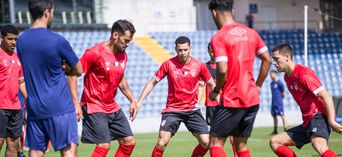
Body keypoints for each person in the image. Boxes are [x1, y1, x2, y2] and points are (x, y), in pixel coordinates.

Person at [16, 0, 83, 156]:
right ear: (47, 13)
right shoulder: (57, 40)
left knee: (36, 151)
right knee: (68, 151)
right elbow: (79, 69)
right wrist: (67, 69)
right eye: (52, 12)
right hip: (59, 106)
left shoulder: (21, 41)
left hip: (35, 107)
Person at [207, 0, 272, 156]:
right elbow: (268, 60)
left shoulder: (219, 37)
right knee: (240, 145)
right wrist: (258, 86)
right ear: (233, 11)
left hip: (233, 99)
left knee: (215, 142)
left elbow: (222, 70)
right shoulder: (251, 33)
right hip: (252, 99)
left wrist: (216, 89)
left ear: (214, 13)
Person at [136, 36, 216, 157]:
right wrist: (139, 101)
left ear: (190, 48)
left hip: (192, 111)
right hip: (173, 110)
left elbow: (212, 84)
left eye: (185, 50)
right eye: (180, 50)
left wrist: (222, 99)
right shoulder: (168, 64)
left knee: (207, 143)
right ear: (175, 49)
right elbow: (152, 82)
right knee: (161, 142)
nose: (183, 53)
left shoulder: (199, 66)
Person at [70, 19, 137, 157]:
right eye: (125, 40)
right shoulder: (95, 52)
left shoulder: (123, 55)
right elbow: (72, 75)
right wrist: (76, 103)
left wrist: (132, 100)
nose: (127, 44)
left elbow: (121, 80)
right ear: (115, 35)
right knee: (104, 145)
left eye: (129, 41)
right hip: (93, 105)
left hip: (111, 106)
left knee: (129, 142)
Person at [269, 43, 342, 157]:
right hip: (307, 122)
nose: (274, 63)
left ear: (287, 57)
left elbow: (326, 96)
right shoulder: (287, 77)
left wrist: (331, 121)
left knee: (318, 144)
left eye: (276, 59)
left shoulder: (304, 74)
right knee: (275, 141)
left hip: (319, 117)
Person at [197, 43, 238, 157]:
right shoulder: (204, 67)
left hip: (227, 104)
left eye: (215, 51)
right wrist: (197, 103)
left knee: (233, 133)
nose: (213, 53)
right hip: (212, 106)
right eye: (211, 51)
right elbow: (200, 86)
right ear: (208, 51)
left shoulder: (226, 66)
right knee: (210, 138)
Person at [0, 25, 27, 157]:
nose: (13, 42)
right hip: (0, 106)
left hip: (15, 107)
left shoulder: (17, 57)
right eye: (10, 39)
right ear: (1, 38)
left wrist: (29, 98)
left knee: (13, 144)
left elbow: (21, 82)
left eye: (15, 39)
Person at [269, 70, 287, 134]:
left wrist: (280, 99)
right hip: (273, 102)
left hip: (279, 102)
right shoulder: (271, 83)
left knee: (282, 114)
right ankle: (275, 130)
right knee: (274, 115)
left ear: (275, 74)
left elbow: (283, 93)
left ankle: (285, 129)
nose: (270, 76)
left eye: (271, 74)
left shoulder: (280, 83)